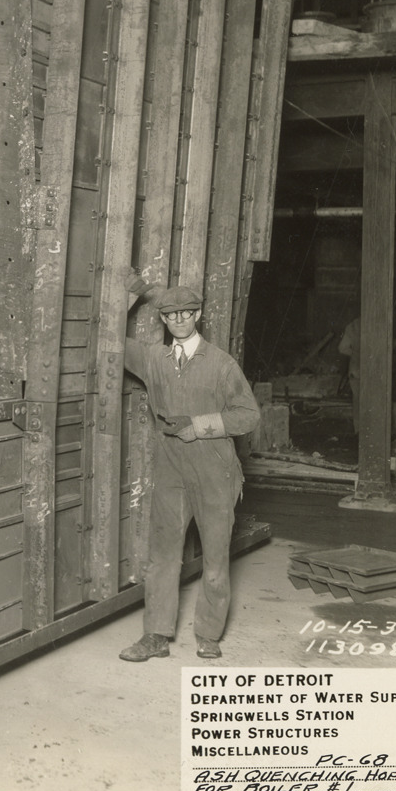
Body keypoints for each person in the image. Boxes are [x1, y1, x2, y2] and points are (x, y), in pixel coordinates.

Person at [118, 278, 260, 663]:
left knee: (215, 556)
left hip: (214, 469)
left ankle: (209, 635)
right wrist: (130, 296)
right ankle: (155, 636)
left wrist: (198, 426)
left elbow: (248, 415)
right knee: (162, 555)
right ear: (163, 320)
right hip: (170, 469)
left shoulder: (221, 364)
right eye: (171, 314)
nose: (179, 319)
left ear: (197, 315)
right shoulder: (153, 359)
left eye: (186, 312)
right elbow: (109, 342)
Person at [338, 316, 361, 434]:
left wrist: (356, 354)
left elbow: (342, 348)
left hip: (356, 371)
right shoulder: (379, 322)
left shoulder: (353, 326)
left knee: (358, 402)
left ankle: (359, 432)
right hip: (375, 371)